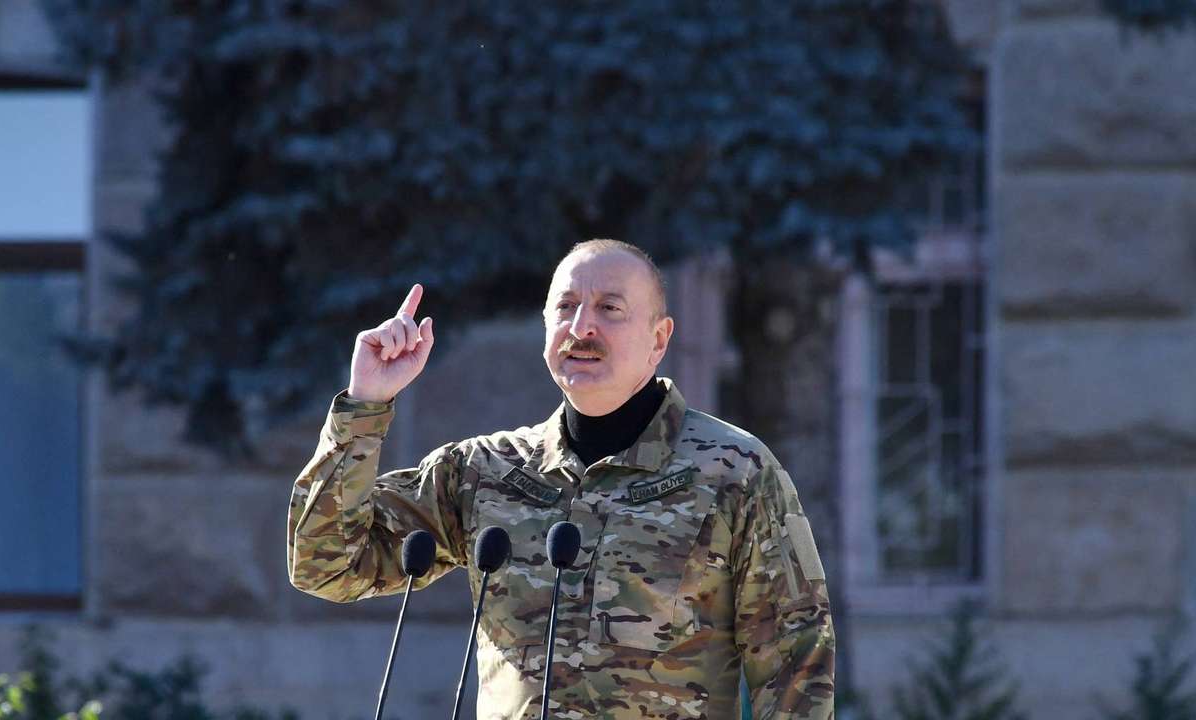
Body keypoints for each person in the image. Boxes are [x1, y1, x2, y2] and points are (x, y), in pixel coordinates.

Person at [287, 239, 835, 719]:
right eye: (566, 307)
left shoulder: (733, 471)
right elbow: (326, 565)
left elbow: (797, 662)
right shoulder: (484, 472)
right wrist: (365, 404)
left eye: (610, 308)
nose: (581, 327)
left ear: (659, 339)